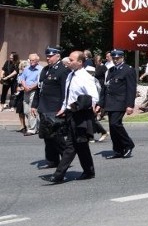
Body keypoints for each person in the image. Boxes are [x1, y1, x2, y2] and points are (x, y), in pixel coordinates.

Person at [47, 51, 98, 183]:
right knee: (80, 144)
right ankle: (89, 171)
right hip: (71, 113)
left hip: (81, 114)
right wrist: (63, 109)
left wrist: (83, 106)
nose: (68, 61)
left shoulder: (86, 77)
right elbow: (68, 95)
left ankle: (59, 174)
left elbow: (94, 96)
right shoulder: (70, 75)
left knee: (71, 145)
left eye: (71, 59)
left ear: (80, 62)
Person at [31, 46, 70, 169]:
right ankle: (52, 160)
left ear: (58, 56)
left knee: (56, 136)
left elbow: (65, 91)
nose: (48, 58)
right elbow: (39, 88)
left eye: (51, 56)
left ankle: (66, 157)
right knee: (47, 136)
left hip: (55, 108)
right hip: (44, 107)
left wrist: (63, 108)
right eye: (47, 56)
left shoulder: (63, 70)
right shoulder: (45, 70)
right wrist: (34, 105)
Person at [99, 49, 137, 158]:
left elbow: (131, 89)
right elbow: (105, 87)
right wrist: (101, 103)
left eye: (117, 58)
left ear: (122, 58)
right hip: (110, 102)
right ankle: (118, 150)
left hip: (121, 101)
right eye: (114, 58)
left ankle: (128, 144)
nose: (115, 60)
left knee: (116, 124)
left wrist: (130, 105)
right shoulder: (111, 70)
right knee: (112, 126)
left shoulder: (128, 70)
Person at [21, 53, 42, 135]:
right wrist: (25, 86)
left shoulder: (40, 69)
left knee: (31, 110)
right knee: (26, 111)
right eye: (30, 60)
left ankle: (32, 129)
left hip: (34, 91)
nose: (31, 62)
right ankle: (37, 126)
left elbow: (39, 81)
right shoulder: (26, 68)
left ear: (37, 61)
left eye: (33, 60)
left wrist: (31, 88)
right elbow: (22, 78)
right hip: (26, 90)